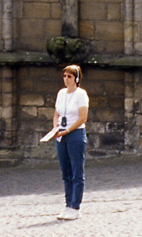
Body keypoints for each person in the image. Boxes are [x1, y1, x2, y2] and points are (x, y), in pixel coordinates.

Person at [52, 65, 89, 220]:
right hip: (61, 135)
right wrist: (55, 128)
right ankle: (67, 205)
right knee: (66, 171)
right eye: (65, 76)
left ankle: (75, 206)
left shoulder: (81, 94)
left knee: (76, 172)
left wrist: (67, 130)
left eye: (70, 77)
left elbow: (82, 117)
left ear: (76, 79)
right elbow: (57, 114)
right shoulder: (61, 93)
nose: (66, 79)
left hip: (75, 134)